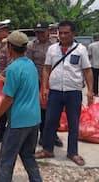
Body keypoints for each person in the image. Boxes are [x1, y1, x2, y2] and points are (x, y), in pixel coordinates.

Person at [0, 31, 42, 182]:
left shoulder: (14, 68)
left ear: (10, 47)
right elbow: (19, 84)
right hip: (34, 119)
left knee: (6, 161)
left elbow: (8, 98)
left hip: (18, 121)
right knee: (28, 156)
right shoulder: (30, 65)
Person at [35, 20, 94, 166]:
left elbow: (87, 70)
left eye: (66, 33)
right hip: (55, 92)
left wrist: (90, 91)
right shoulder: (53, 49)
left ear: (73, 33)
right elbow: (46, 69)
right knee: (49, 121)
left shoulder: (81, 50)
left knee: (73, 124)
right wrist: (44, 87)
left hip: (73, 92)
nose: (62, 35)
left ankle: (72, 152)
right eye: (60, 33)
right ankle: (47, 149)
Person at [27, 22, 63, 147]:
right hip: (37, 80)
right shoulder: (31, 46)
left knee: (54, 108)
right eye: (37, 32)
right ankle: (43, 134)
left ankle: (53, 134)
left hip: (53, 81)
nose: (39, 34)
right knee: (41, 109)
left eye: (42, 32)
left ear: (48, 31)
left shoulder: (55, 46)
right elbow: (29, 63)